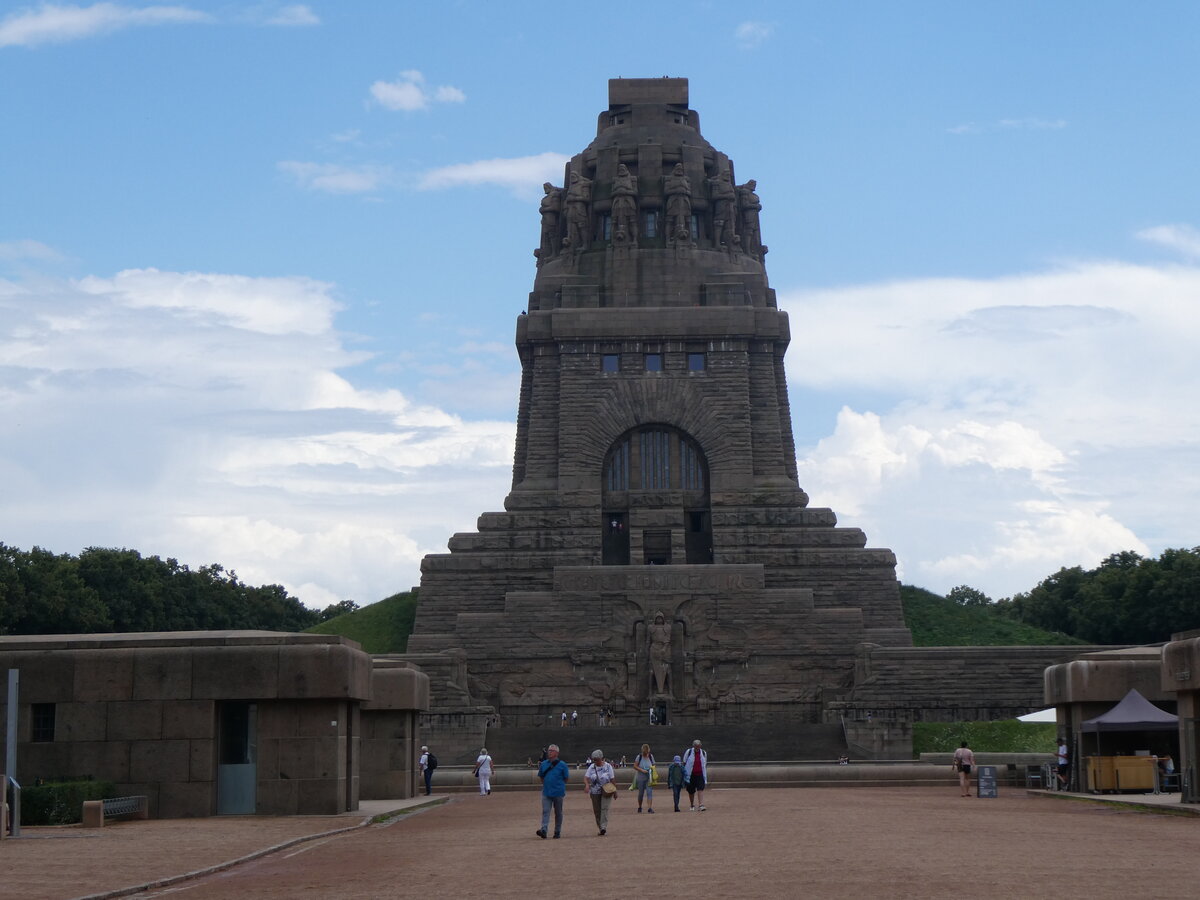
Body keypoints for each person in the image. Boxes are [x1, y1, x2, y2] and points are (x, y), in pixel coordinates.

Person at [536, 743, 569, 839]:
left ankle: (557, 831)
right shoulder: (544, 764)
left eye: (552, 751)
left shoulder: (562, 765)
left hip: (558, 792)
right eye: (549, 750)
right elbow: (541, 777)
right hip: (546, 792)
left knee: (558, 812)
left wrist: (558, 785)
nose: (549, 752)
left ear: (557, 753)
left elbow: (566, 778)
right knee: (545, 811)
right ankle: (544, 830)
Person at [584, 749, 617, 835]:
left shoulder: (608, 766)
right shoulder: (591, 767)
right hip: (595, 792)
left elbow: (612, 779)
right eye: (594, 759)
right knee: (597, 811)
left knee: (604, 808)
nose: (595, 761)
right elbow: (586, 777)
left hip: (607, 790)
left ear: (601, 758)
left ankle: (603, 827)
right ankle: (600, 828)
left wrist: (615, 791)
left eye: (596, 759)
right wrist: (587, 785)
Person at [682, 739, 708, 811]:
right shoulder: (689, 752)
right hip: (690, 775)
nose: (697, 747)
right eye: (696, 746)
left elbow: (704, 763)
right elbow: (684, 762)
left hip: (700, 774)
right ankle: (692, 804)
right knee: (691, 791)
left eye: (699, 746)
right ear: (693, 746)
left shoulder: (703, 753)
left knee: (700, 789)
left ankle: (701, 805)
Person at [633, 743, 656, 813]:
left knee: (649, 792)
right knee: (641, 793)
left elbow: (654, 764)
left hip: (649, 776)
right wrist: (642, 770)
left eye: (647, 753)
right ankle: (640, 806)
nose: (646, 754)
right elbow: (635, 766)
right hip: (641, 777)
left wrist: (652, 769)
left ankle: (649, 808)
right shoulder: (639, 757)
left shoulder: (651, 756)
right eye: (645, 753)